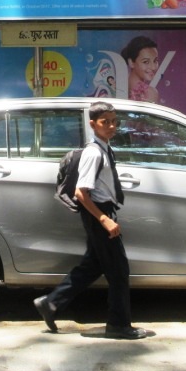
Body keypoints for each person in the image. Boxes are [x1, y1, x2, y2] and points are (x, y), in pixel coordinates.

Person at [34, 102, 148, 340]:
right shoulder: (94, 152)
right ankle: (118, 324)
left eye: (114, 121)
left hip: (101, 211)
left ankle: (51, 303)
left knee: (93, 265)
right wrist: (104, 219)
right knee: (118, 270)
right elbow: (81, 192)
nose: (111, 126)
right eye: (105, 122)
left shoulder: (104, 149)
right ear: (92, 123)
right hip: (98, 212)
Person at [120, 35, 160, 103]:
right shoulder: (150, 93)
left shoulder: (118, 86)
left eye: (155, 61)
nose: (153, 67)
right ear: (131, 62)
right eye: (146, 62)